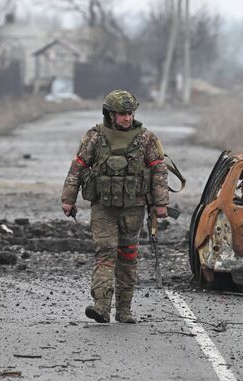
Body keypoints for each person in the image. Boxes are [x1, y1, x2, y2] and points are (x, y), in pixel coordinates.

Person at [61, 90, 169, 324]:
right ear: (110, 114)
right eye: (122, 114)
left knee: (128, 256)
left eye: (130, 113)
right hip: (103, 208)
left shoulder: (146, 138)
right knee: (105, 253)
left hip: (134, 208)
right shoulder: (95, 136)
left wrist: (161, 203)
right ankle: (101, 306)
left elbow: (159, 170)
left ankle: (124, 309)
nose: (127, 118)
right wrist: (68, 199)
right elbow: (78, 167)